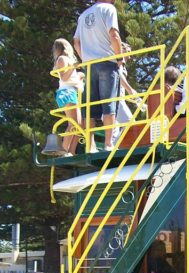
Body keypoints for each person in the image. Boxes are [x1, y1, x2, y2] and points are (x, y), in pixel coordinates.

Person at [73, 0, 123, 152]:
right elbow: (113, 34)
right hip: (107, 62)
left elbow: (76, 42)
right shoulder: (109, 9)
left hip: (89, 65)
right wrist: (120, 58)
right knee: (109, 104)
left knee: (90, 108)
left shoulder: (83, 16)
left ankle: (90, 145)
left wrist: (85, 59)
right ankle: (108, 144)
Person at [52, 39, 84, 156]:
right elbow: (64, 77)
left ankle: (71, 151)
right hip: (67, 92)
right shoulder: (62, 59)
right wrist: (73, 67)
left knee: (79, 125)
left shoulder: (66, 59)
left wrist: (79, 75)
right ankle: (64, 150)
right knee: (73, 123)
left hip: (72, 92)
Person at [112, 42, 138, 145]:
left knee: (114, 128)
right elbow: (119, 77)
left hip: (114, 98)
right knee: (131, 123)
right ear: (121, 50)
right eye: (128, 52)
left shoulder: (117, 63)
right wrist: (130, 90)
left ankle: (114, 147)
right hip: (117, 99)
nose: (130, 56)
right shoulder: (119, 62)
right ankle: (116, 147)